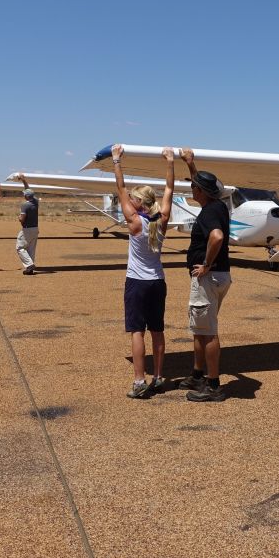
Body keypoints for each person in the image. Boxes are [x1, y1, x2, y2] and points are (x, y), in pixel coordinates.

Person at [111, 144, 175, 399]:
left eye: (135, 200)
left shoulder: (134, 221)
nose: (131, 201)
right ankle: (158, 377)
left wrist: (117, 160)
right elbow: (169, 188)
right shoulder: (163, 219)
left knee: (137, 332)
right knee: (157, 331)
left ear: (140, 203)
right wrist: (169, 161)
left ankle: (140, 381)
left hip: (137, 282)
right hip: (157, 283)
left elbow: (120, 188)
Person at [178, 147, 232, 402]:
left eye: (194, 187)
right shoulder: (217, 206)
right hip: (220, 277)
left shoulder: (210, 212)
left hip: (208, 278)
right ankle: (198, 375)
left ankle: (213, 386)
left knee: (208, 332)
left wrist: (206, 265)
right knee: (200, 329)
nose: (192, 189)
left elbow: (217, 236)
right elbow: (201, 183)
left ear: (201, 192)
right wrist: (191, 164)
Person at [14, 173, 39, 275]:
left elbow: (22, 219)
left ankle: (29, 265)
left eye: (24, 194)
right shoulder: (36, 202)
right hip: (35, 228)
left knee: (20, 247)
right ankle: (30, 269)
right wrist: (24, 180)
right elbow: (28, 189)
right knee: (31, 249)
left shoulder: (25, 205)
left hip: (27, 229)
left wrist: (19, 218)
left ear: (26, 196)